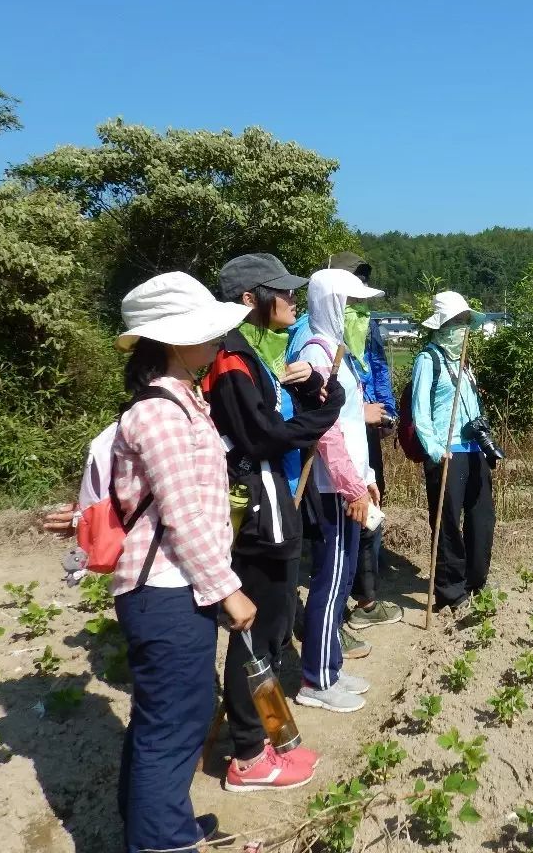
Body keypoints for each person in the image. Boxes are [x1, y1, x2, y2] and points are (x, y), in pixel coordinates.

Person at [109, 271, 255, 853]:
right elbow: (183, 514)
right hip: (166, 590)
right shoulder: (161, 415)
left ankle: (154, 825)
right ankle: (163, 841)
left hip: (171, 588)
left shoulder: (177, 400)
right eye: (205, 330)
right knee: (176, 723)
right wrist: (228, 590)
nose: (216, 340)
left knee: (164, 718)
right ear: (172, 339)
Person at [203, 253, 343, 792]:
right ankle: (247, 755)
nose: (289, 301)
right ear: (248, 300)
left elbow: (270, 422)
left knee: (276, 622)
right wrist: (319, 417)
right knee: (257, 628)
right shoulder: (229, 359)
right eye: (280, 292)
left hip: (269, 501)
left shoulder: (245, 353)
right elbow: (262, 436)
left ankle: (271, 738)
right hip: (255, 507)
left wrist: (309, 394)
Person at [289, 251, 401, 647]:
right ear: (333, 304)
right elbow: (327, 431)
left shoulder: (342, 352)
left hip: (351, 477)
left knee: (343, 565)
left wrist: (367, 477)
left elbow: (351, 422)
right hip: (330, 483)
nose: (360, 315)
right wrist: (353, 484)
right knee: (332, 570)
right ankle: (322, 658)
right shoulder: (315, 351)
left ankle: (330, 646)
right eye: (352, 306)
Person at [412, 290, 496, 611]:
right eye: (457, 321)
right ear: (442, 325)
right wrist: (435, 449)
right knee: (447, 523)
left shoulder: (463, 363)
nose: (463, 327)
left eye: (465, 321)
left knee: (482, 517)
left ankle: (477, 579)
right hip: (447, 452)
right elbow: (421, 412)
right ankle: (450, 589)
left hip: (474, 450)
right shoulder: (428, 360)